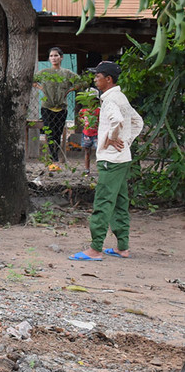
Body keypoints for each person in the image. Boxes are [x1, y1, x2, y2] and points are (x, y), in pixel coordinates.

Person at [69, 61, 143, 261]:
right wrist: (126, 141)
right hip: (122, 158)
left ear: (108, 79)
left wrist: (112, 138)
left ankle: (95, 248)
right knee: (120, 201)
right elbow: (137, 121)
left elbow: (117, 121)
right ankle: (122, 247)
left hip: (111, 160)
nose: (95, 79)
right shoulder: (120, 97)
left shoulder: (110, 100)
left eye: (97, 76)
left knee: (103, 201)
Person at [34, 47, 78, 163]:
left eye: (56, 55)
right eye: (51, 56)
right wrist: (39, 87)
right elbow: (32, 80)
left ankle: (55, 153)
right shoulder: (44, 73)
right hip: (47, 107)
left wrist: (70, 90)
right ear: (49, 58)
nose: (53, 58)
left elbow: (81, 82)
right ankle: (53, 156)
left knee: (58, 133)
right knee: (49, 132)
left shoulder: (67, 73)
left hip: (62, 108)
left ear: (61, 57)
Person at [76, 88, 100, 177]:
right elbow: (80, 118)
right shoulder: (83, 111)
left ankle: (100, 169)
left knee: (99, 151)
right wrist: (83, 122)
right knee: (87, 152)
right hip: (87, 133)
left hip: (97, 134)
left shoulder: (98, 110)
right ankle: (87, 169)